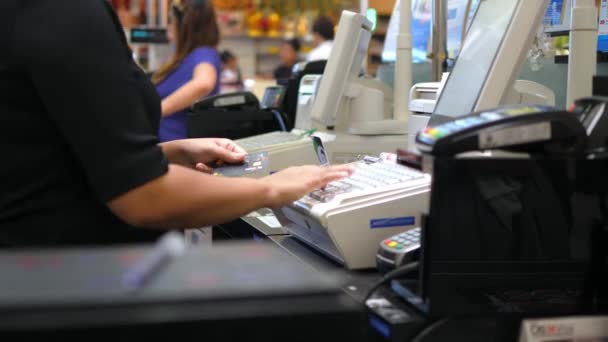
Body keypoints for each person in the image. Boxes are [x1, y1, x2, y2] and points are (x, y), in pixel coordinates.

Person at [0, 0, 352, 247]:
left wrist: (167, 153)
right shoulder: (63, 13)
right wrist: (272, 189)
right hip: (68, 278)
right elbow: (143, 196)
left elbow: (57, 153)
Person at [154, 0, 222, 142]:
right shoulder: (184, 60)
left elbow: (203, 83)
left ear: (185, 26)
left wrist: (156, 111)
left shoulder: (203, 53)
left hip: (177, 150)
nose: (168, 27)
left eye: (171, 21)